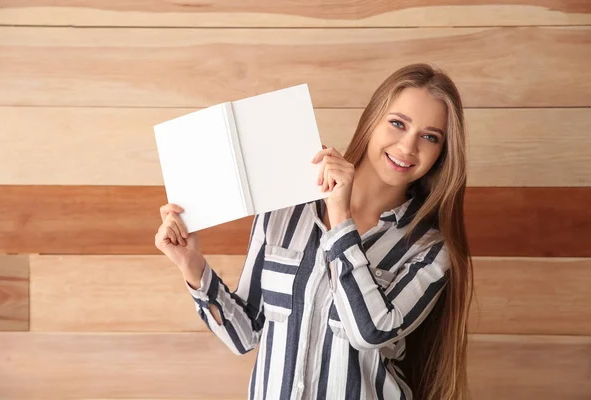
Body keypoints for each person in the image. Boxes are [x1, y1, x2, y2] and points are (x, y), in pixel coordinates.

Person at [155, 63, 474, 400]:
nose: (408, 147)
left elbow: (371, 331)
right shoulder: (284, 207)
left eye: (430, 136)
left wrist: (340, 215)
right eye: (397, 123)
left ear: (441, 153)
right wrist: (191, 265)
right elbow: (244, 335)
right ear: (372, 120)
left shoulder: (429, 250)